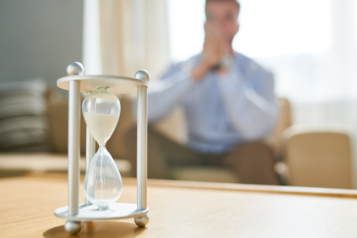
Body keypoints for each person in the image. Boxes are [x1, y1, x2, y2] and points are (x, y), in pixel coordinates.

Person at [127, 0, 279, 185]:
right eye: (212, 17)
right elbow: (140, 112)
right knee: (136, 135)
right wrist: (197, 73)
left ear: (237, 25)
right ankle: (159, 208)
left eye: (228, 18)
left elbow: (257, 131)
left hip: (237, 151)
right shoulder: (183, 67)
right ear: (204, 23)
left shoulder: (259, 73)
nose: (219, 26)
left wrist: (225, 69)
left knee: (260, 150)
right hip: (193, 150)